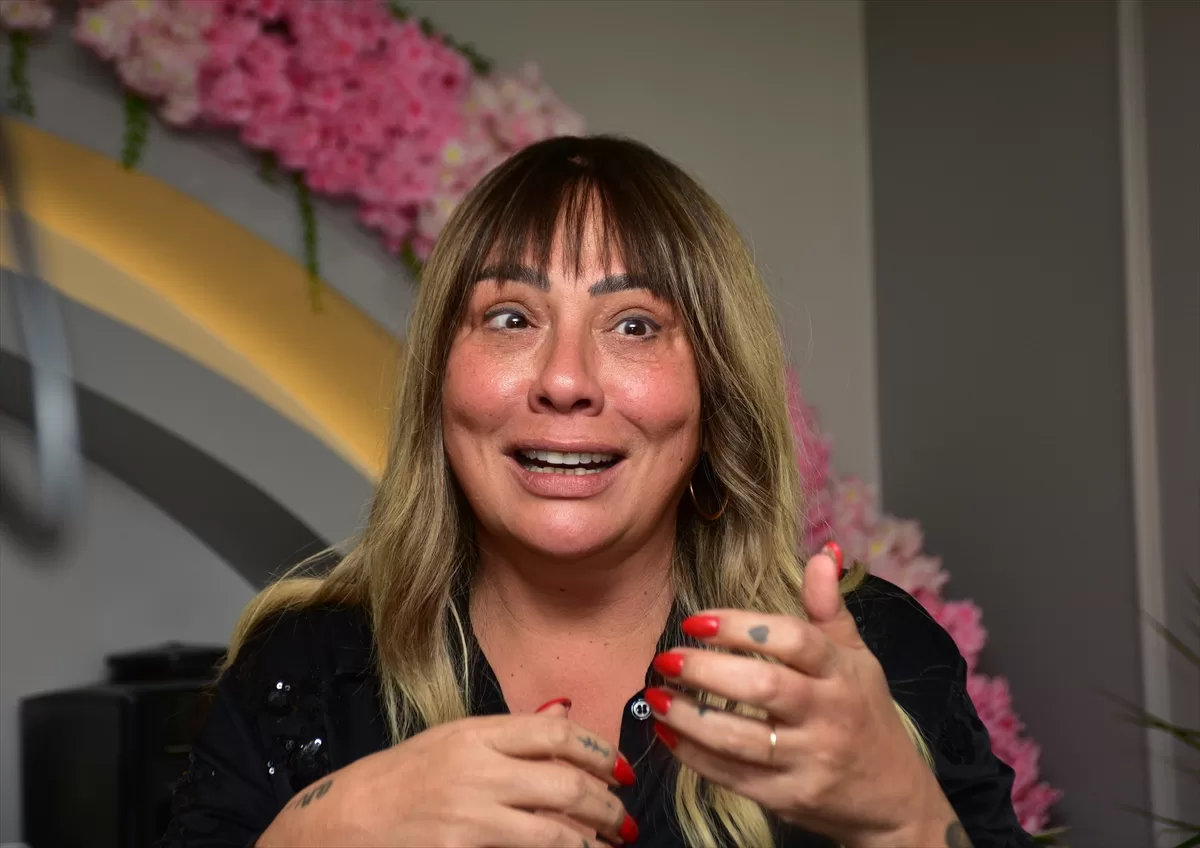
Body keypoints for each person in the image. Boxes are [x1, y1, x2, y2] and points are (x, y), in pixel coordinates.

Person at [162, 135, 1033, 848]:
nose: (566, 380)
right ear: (439, 383)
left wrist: (904, 822)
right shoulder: (303, 670)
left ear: (714, 395)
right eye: (511, 318)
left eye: (635, 325)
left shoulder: (870, 661)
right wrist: (322, 835)